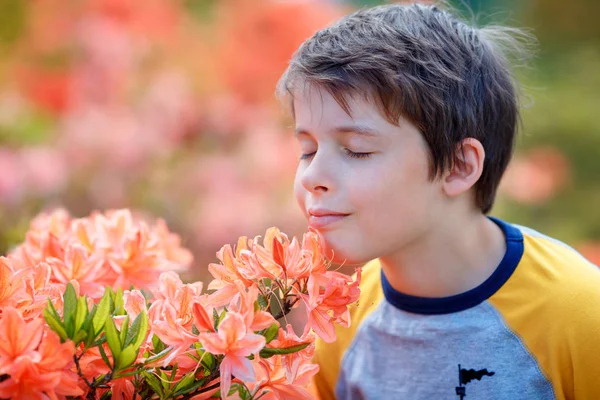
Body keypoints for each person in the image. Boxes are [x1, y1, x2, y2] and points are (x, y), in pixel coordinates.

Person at [276, 2, 600, 399]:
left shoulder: (580, 315)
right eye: (307, 150)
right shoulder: (339, 319)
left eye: (356, 149)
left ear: (459, 166)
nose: (311, 177)